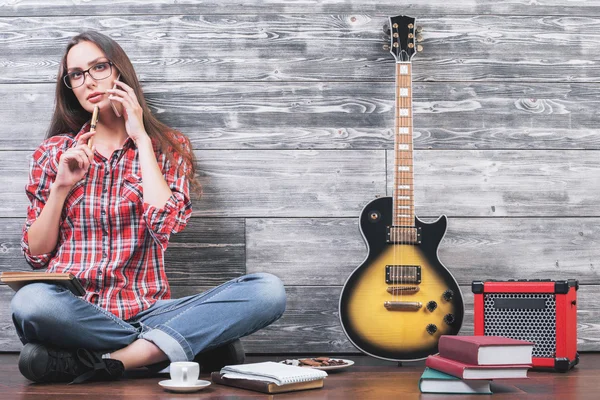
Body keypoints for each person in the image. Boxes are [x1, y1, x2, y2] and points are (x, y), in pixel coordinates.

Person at [10, 31, 286, 384]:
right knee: (31, 302)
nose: (88, 81)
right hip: (77, 313)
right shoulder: (52, 153)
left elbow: (165, 225)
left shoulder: (167, 147)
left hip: (149, 310)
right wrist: (62, 187)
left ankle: (112, 360)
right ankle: (176, 348)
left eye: (99, 67)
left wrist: (140, 138)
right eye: (77, 74)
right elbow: (36, 255)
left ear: (120, 73)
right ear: (70, 86)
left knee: (267, 291)